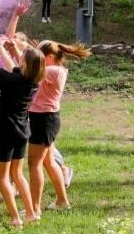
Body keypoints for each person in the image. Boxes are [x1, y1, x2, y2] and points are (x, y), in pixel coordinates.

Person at [28, 40, 90, 217]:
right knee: (48, 162)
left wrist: (18, 49)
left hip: (43, 120)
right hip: (44, 119)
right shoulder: (52, 69)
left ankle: (35, 208)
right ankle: (62, 201)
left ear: (49, 57)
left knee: (34, 163)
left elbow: (28, 70)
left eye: (39, 55)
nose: (36, 59)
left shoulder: (53, 71)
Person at [0, 39, 44, 227]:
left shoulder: (14, 81)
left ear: (26, 64)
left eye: (22, 57)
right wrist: (6, 50)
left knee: (3, 177)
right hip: (22, 132)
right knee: (18, 174)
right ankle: (31, 213)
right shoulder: (33, 80)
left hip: (6, 132)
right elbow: (13, 67)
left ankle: (15, 218)